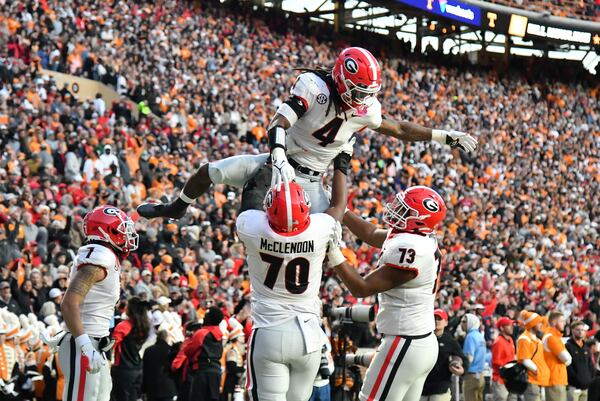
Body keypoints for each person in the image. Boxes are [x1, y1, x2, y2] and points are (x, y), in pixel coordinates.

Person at [137, 47, 477, 219]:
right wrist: (279, 155)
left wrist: (444, 136)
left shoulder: (365, 110)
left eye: (367, 93)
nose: (363, 99)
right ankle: (177, 207)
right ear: (343, 78)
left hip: (313, 183)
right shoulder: (314, 88)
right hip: (275, 165)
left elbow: (400, 128)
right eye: (358, 90)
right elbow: (279, 123)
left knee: (329, 241)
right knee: (210, 171)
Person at [236, 161, 347, 401]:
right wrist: (342, 165)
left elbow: (251, 198)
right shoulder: (321, 228)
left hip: (269, 330)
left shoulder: (253, 228)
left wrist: (269, 166)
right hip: (308, 334)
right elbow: (338, 207)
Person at [328, 185, 447, 401]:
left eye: (404, 210)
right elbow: (371, 233)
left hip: (405, 342)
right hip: (419, 342)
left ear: (419, 219)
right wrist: (340, 210)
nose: (395, 210)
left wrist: (334, 253)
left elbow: (361, 288)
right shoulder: (420, 238)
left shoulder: (412, 249)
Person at [55, 205, 139, 401]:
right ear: (106, 230)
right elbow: (68, 303)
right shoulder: (99, 256)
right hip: (84, 343)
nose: (127, 235)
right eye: (122, 229)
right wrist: (85, 345)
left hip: (96, 344)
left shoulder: (107, 257)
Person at [420, 309, 467, 401]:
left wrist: (462, 370)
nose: (436, 321)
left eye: (439, 319)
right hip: (421, 387)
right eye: (434, 318)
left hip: (441, 387)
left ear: (446, 322)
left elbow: (464, 359)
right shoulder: (422, 339)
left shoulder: (450, 341)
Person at [111, 297, 151, 401]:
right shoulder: (143, 326)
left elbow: (110, 346)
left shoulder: (123, 326)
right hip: (137, 368)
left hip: (123, 370)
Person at [181, 307, 224, 401]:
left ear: (210, 319)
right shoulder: (220, 334)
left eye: (206, 316)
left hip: (203, 371)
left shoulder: (201, 333)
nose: (204, 318)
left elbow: (188, 351)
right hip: (216, 371)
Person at [516, 311, 549, 401]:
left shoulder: (537, 339)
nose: (540, 324)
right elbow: (524, 359)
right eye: (538, 322)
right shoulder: (524, 339)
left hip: (539, 380)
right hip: (531, 380)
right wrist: (538, 371)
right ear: (532, 324)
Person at [543, 311, 571, 401]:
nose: (564, 323)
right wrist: (568, 359)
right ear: (554, 322)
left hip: (556, 378)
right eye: (561, 321)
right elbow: (567, 358)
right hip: (555, 379)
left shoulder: (553, 336)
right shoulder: (551, 337)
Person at [142, 330, 178, 401]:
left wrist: (143, 390)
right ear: (167, 338)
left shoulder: (148, 350)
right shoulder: (171, 350)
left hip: (151, 389)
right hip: (168, 388)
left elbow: (144, 371)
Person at [565, 321, 595, 401]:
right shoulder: (568, 346)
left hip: (586, 386)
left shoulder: (586, 347)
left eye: (582, 330)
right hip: (573, 386)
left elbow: (590, 365)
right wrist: (575, 378)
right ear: (572, 330)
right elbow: (568, 366)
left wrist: (590, 379)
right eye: (578, 329)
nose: (580, 332)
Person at [462, 313, 486, 401]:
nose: (462, 324)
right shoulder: (480, 336)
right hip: (480, 376)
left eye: (464, 321)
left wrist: (462, 370)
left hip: (471, 377)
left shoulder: (470, 336)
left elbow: (469, 358)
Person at [491, 317, 516, 401]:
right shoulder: (498, 342)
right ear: (502, 328)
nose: (512, 327)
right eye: (508, 325)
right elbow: (496, 362)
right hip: (500, 379)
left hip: (510, 379)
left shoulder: (510, 340)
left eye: (512, 324)